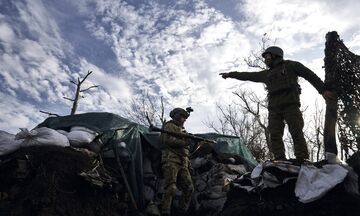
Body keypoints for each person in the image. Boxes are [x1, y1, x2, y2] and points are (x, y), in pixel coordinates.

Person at [219, 46, 335, 161]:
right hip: (274, 109)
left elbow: (310, 75)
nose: (265, 59)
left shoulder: (291, 65)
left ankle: (302, 158)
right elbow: (247, 75)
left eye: (267, 56)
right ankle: (279, 159)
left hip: (291, 105)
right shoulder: (266, 74)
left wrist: (323, 90)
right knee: (274, 134)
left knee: (296, 132)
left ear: (276, 55)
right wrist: (230, 74)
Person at [160, 108, 194, 216]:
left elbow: (186, 150)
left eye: (185, 118)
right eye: (182, 117)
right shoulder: (169, 126)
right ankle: (165, 212)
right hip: (171, 160)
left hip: (183, 162)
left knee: (189, 188)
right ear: (176, 116)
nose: (183, 120)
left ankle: (181, 211)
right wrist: (184, 142)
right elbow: (166, 140)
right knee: (171, 188)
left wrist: (188, 162)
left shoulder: (183, 130)